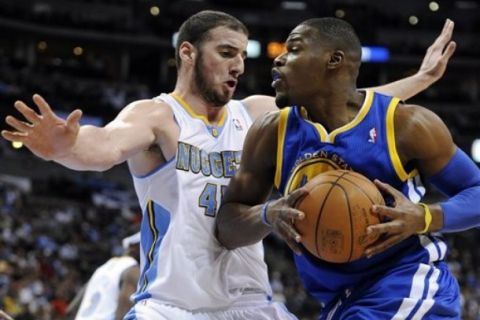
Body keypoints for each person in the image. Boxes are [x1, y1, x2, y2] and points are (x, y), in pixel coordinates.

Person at [1, 10, 456, 320]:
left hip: (249, 302)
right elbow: (100, 147)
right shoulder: (157, 116)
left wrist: (421, 79)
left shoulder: (256, 113)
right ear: (187, 53)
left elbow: (348, 105)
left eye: (242, 54)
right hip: (173, 305)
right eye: (226, 53)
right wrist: (62, 148)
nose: (238, 64)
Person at [216, 17, 480, 319]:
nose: (279, 58)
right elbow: (226, 226)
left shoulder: (405, 125)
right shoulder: (271, 133)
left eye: (294, 49)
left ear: (334, 60)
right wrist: (267, 214)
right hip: (341, 302)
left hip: (407, 286)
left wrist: (425, 216)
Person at [67, 232, 140, 320]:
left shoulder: (101, 268)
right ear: (134, 247)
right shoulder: (133, 269)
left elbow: (71, 309)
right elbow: (125, 308)